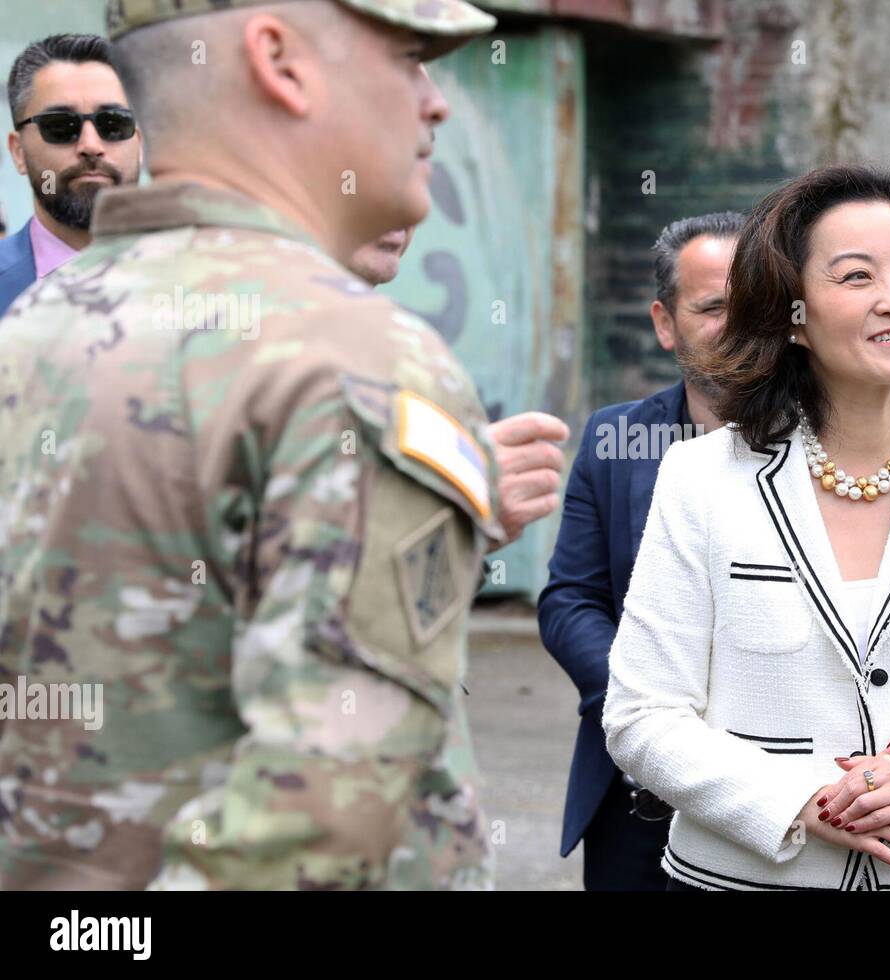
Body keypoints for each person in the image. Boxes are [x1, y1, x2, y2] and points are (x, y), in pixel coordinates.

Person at [0, 0, 505, 890]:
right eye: (409, 56)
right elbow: (325, 812)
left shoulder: (39, 324)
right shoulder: (356, 358)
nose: (436, 103)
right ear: (279, 60)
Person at [602, 165, 890, 891]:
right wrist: (796, 802)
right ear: (791, 311)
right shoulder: (702, 480)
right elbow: (643, 716)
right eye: (857, 277)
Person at [538, 212, 743, 890]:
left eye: (757, 303)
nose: (738, 325)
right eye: (712, 307)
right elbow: (571, 600)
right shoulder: (613, 439)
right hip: (637, 801)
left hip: (783, 788)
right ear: (665, 323)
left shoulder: (827, 443)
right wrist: (641, 708)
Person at [346, 227, 571, 548]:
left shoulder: (400, 353)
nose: (408, 212)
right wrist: (447, 506)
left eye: (421, 182)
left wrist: (462, 530)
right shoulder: (266, 335)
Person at [1, 33, 142, 316]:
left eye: (113, 123)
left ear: (138, 143)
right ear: (18, 152)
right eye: (60, 126)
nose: (91, 145)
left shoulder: (209, 283)